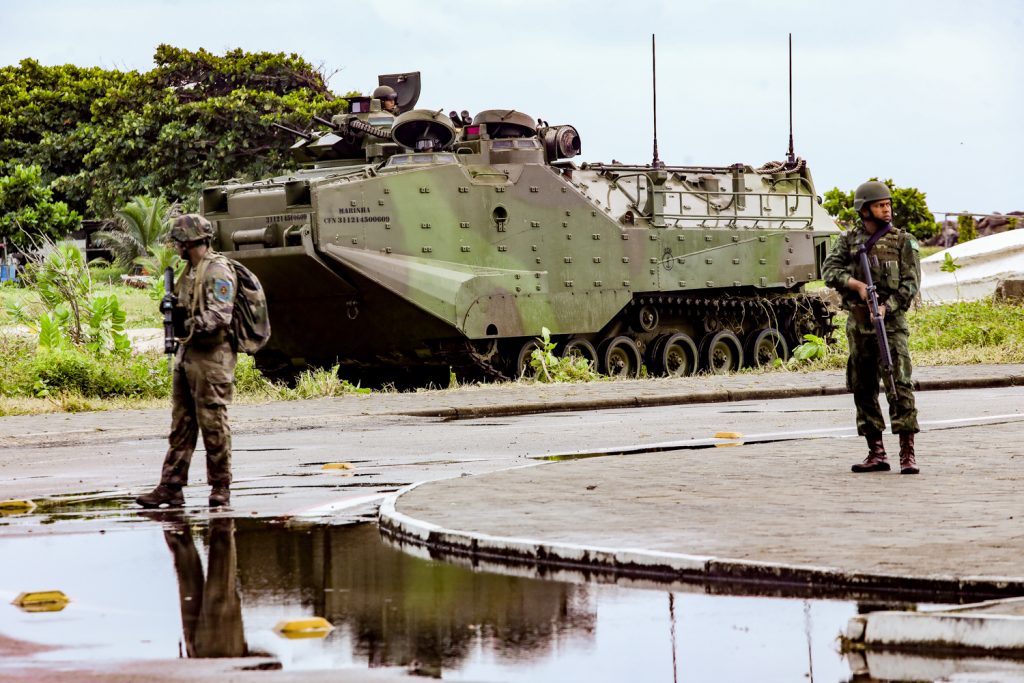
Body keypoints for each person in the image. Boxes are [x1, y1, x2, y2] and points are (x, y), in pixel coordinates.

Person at [136, 214, 238, 508]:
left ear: (190, 241)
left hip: (212, 357)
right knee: (181, 423)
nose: (176, 247)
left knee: (213, 422)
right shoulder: (189, 271)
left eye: (178, 241)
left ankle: (220, 486)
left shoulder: (218, 270)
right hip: (188, 354)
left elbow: (220, 316)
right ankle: (171, 486)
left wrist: (188, 323)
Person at [822, 180, 921, 474]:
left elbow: (910, 284)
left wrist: (885, 307)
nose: (887, 209)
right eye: (880, 205)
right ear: (864, 210)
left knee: (898, 385)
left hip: (890, 326)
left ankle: (907, 453)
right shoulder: (849, 240)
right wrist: (857, 286)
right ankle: (876, 452)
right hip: (859, 326)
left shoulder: (903, 241)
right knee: (862, 388)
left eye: (888, 204)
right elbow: (829, 270)